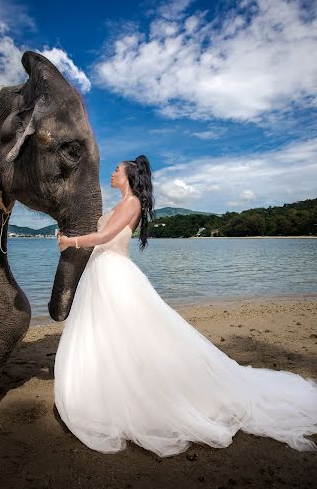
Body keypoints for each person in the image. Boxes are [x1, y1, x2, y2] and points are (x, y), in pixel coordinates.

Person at [54, 155, 317, 458]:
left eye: (116, 169)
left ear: (128, 176)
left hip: (113, 274)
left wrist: (69, 243)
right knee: (105, 333)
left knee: (126, 333)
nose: (112, 172)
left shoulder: (131, 204)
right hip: (101, 273)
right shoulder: (120, 205)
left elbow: (104, 236)